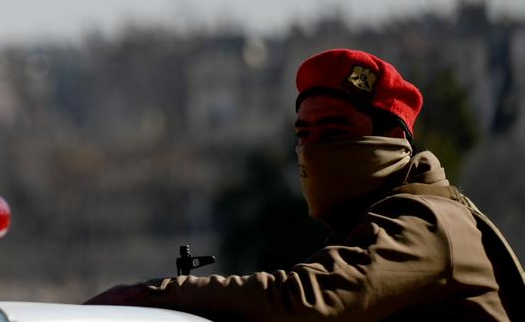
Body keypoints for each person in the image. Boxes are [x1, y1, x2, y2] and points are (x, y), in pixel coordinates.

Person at [87, 48, 524, 320]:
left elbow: (312, 299)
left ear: (392, 140)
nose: (313, 151)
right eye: (303, 136)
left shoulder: (426, 221)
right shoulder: (391, 219)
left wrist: (159, 294)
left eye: (334, 134)